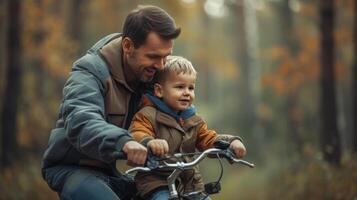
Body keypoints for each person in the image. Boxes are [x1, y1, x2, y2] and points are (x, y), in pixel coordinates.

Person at [41, 5, 181, 200]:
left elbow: (177, 111)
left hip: (110, 171)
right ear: (127, 46)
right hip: (70, 169)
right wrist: (124, 142)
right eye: (153, 57)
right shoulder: (89, 71)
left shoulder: (149, 75)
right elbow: (82, 121)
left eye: (165, 57)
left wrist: (217, 140)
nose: (160, 65)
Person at [129, 55, 247, 200]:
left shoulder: (193, 119)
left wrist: (231, 143)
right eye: (180, 87)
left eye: (191, 88)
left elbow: (208, 138)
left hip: (190, 184)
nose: (187, 93)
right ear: (159, 91)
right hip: (157, 183)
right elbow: (137, 133)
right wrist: (149, 142)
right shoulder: (147, 115)